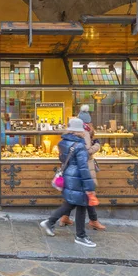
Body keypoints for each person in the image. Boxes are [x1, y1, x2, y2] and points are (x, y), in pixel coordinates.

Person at [39, 117, 97, 248]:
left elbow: (63, 159)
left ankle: (50, 222)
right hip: (77, 177)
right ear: (80, 130)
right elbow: (83, 167)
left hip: (69, 176)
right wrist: (89, 186)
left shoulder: (63, 143)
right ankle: (80, 236)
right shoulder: (80, 146)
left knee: (71, 203)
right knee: (81, 204)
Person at [59, 105, 106, 230]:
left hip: (78, 167)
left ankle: (65, 217)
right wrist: (97, 146)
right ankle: (92, 221)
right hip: (85, 166)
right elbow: (85, 151)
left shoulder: (80, 132)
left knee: (80, 194)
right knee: (87, 194)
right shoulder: (84, 132)